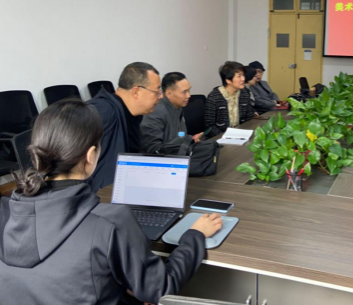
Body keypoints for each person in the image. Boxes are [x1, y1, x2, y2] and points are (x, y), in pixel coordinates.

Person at [0, 99, 222, 305]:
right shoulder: (110, 222)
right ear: (90, 156)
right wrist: (195, 235)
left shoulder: (5, 212)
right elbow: (161, 288)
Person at [88, 62, 162, 191]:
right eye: (157, 91)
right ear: (136, 92)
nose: (161, 96)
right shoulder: (103, 111)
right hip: (99, 197)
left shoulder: (134, 115)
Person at [141, 72, 204, 155]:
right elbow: (154, 150)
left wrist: (190, 138)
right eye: (184, 92)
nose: (189, 95)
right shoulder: (157, 111)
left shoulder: (177, 107)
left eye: (189, 90)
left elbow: (179, 135)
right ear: (169, 94)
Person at [204, 61, 255, 138]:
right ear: (228, 80)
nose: (243, 79)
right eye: (239, 76)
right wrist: (226, 137)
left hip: (240, 136)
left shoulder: (244, 94)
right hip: (220, 138)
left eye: (243, 75)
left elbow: (249, 118)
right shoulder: (214, 97)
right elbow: (209, 126)